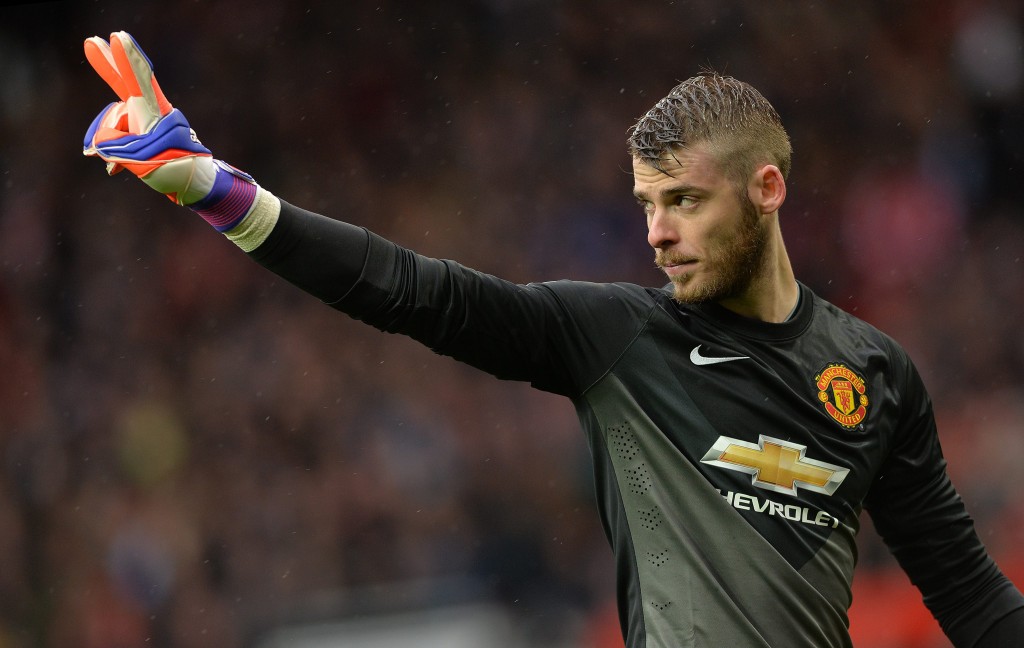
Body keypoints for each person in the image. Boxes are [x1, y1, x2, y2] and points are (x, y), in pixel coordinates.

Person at [82, 32, 1024, 647]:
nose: (658, 234)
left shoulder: (874, 374)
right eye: (647, 205)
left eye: (684, 201)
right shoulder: (617, 338)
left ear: (767, 190)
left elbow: (972, 601)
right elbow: (411, 291)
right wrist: (218, 192)